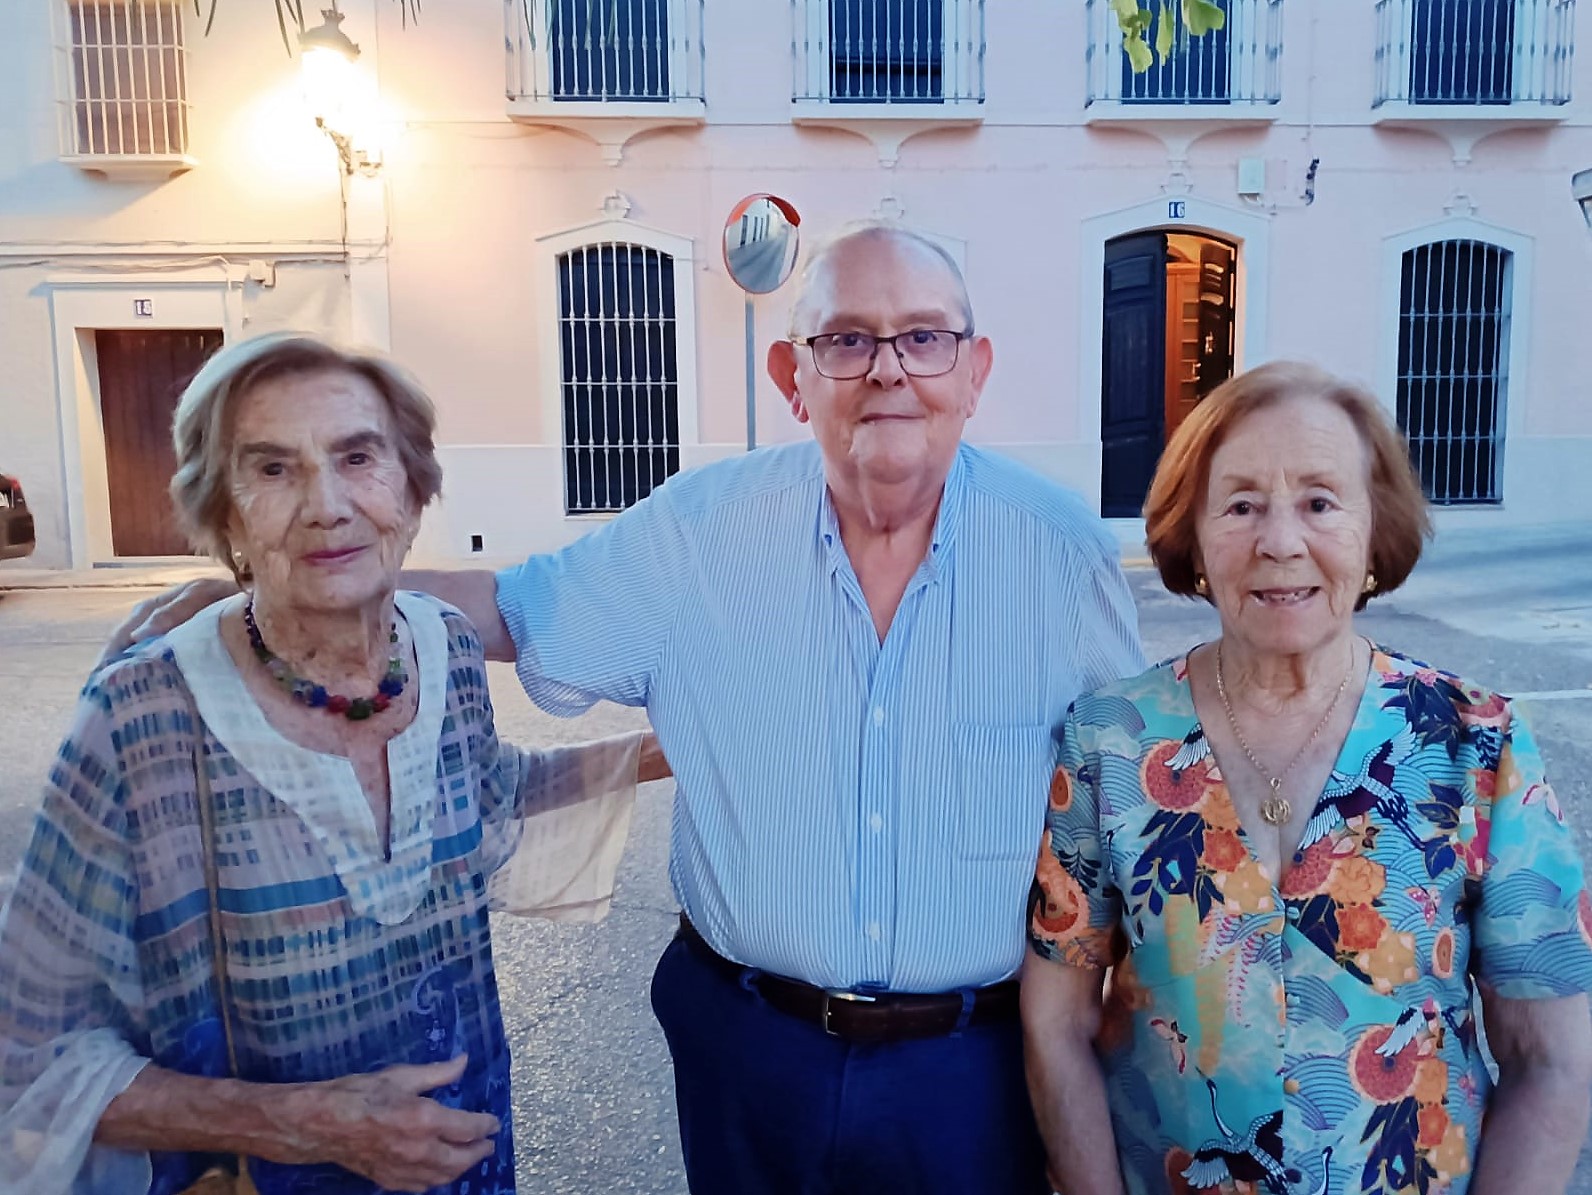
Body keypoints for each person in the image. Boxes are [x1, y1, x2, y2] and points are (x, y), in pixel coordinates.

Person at [113, 223, 1145, 1194]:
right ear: (791, 379)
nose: (887, 369)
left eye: (923, 337)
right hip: (751, 1050)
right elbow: (508, 609)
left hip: (975, 1066)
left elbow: (1131, 815)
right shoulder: (698, 534)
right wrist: (289, 595)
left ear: (974, 370)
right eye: (845, 340)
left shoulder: (1061, 558)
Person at [0, 333, 667, 1195]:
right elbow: (30, 1048)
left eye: (358, 457)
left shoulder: (445, 647)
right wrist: (298, 1121)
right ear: (222, 513)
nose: (326, 504)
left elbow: (492, 801)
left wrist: (680, 745)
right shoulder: (142, 713)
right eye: (272, 468)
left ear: (413, 490)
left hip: (459, 1160)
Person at [1023, 361, 1592, 1195]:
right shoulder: (1111, 739)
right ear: (1194, 536)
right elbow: (1056, 1019)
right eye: (1241, 505)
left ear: (1374, 529)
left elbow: (1552, 1058)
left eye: (1321, 502)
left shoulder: (1475, 742)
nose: (1280, 541)